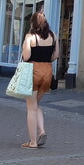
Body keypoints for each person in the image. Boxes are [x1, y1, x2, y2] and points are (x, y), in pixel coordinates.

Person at [19, 11, 59, 149]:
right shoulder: (53, 36)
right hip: (47, 71)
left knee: (31, 108)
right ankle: (42, 131)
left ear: (33, 23)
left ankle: (33, 142)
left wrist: (25, 46)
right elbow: (56, 55)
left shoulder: (30, 36)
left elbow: (26, 57)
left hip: (33, 70)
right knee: (36, 104)